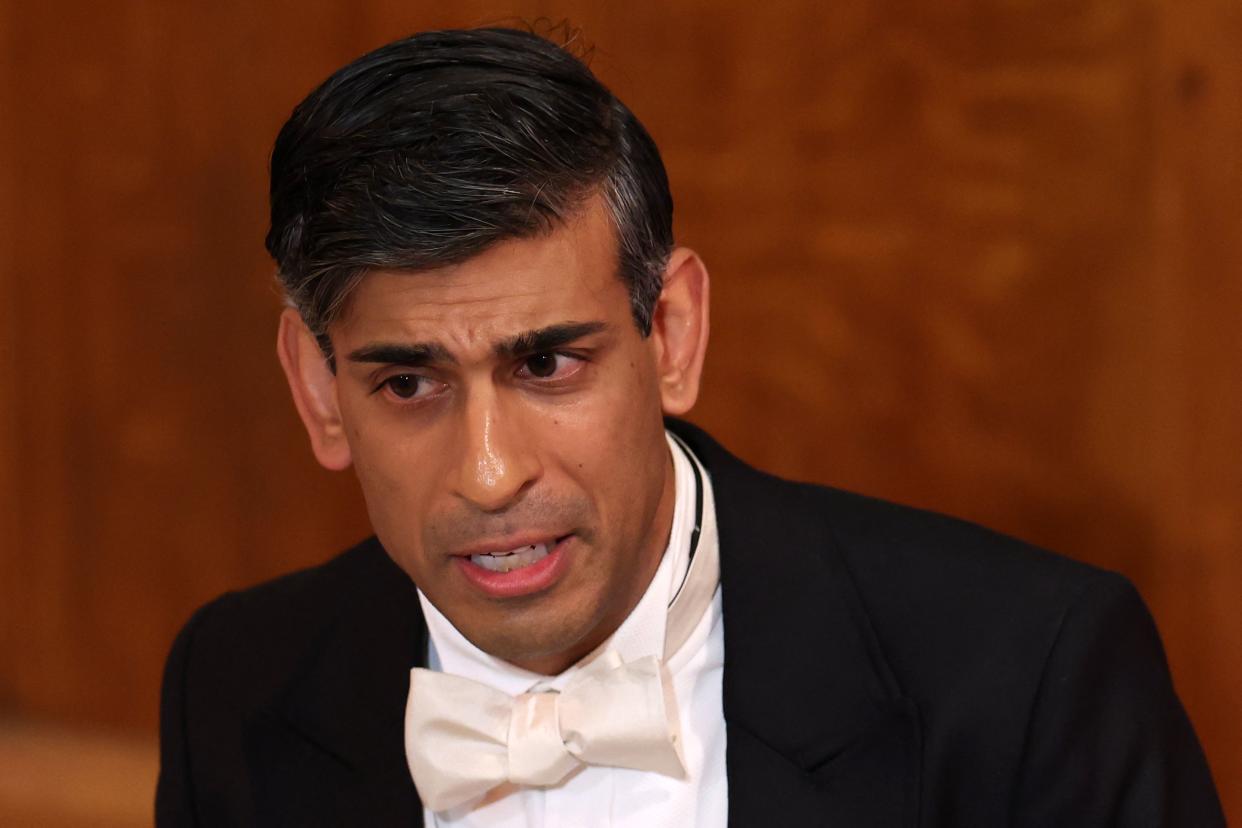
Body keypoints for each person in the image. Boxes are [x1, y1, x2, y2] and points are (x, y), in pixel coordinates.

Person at [155, 26, 1224, 827]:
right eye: (408, 385)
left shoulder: (1027, 677)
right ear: (315, 388)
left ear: (670, 335)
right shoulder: (238, 682)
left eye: (547, 363)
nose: (487, 476)